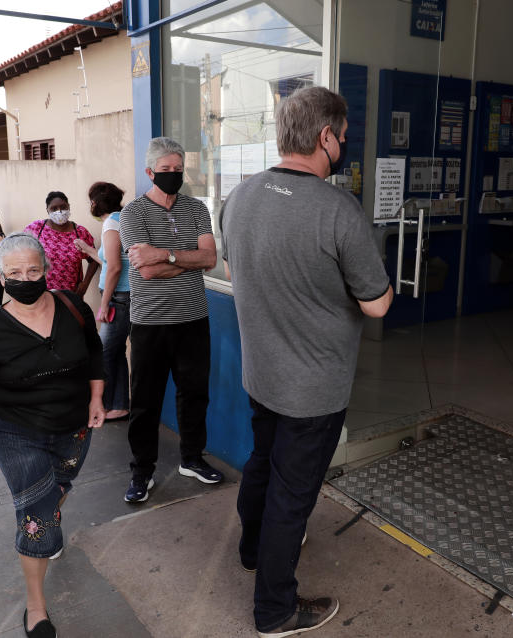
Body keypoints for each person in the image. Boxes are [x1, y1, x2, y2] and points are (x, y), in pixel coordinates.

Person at [219, 86, 393, 637]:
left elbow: (234, 269)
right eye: (342, 137)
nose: (343, 144)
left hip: (262, 374)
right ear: (325, 137)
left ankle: (250, 552)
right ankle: (275, 610)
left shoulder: (240, 196)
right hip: (313, 390)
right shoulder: (339, 210)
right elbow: (378, 303)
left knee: (262, 465)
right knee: (291, 498)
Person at [0, 232, 105, 638]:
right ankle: (36, 607)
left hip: (74, 428)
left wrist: (96, 398)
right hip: (18, 433)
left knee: (58, 490)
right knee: (38, 518)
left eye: (33, 270)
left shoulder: (71, 306)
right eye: (15, 273)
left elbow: (94, 351)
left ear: (46, 270)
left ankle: (50, 517)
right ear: (0, 276)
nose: (25, 278)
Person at [119, 137, 224, 504]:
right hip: (150, 323)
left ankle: (192, 459)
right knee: (145, 401)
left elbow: (210, 259)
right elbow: (144, 272)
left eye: (178, 170)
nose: (173, 176)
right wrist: (185, 257)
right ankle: (141, 471)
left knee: (195, 394)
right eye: (165, 171)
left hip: (194, 319)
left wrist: (164, 255)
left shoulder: (196, 209)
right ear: (150, 172)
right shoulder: (133, 213)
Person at [75, 181, 130, 421]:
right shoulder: (122, 218)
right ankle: (118, 405)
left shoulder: (111, 224)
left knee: (104, 354)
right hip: (124, 295)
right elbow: (110, 261)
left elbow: (116, 268)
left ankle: (103, 405)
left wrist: (105, 303)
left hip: (119, 297)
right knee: (116, 353)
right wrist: (89, 250)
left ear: (96, 203)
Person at [24, 192, 99, 296]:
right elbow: (22, 254)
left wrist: (84, 284)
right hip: (40, 293)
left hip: (72, 294)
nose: (59, 211)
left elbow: (94, 260)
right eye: (54, 208)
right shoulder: (36, 228)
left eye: (63, 207)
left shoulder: (80, 232)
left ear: (69, 207)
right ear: (47, 210)